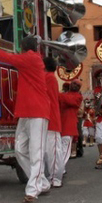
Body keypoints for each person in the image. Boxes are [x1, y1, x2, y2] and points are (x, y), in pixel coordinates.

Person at [0, 36, 50, 203]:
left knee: (36, 152)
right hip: (27, 112)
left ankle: (33, 190)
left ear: (23, 48)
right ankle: (41, 182)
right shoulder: (30, 60)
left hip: (37, 112)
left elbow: (5, 57)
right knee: (20, 149)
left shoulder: (31, 58)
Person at [56, 80, 83, 181]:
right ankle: (60, 169)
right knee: (59, 149)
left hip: (69, 126)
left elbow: (69, 101)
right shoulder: (64, 94)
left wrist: (55, 92)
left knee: (64, 150)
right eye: (74, 83)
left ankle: (59, 170)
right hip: (60, 125)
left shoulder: (78, 97)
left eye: (77, 85)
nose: (75, 86)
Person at [42, 57, 62, 188]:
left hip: (51, 119)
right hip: (47, 118)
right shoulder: (49, 77)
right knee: (48, 151)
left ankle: (56, 177)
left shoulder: (49, 77)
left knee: (53, 151)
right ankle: (51, 176)